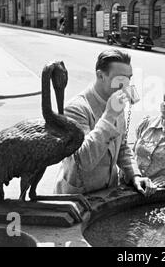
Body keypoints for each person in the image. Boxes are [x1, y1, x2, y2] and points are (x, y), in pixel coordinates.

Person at [54, 49, 156, 196]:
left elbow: (121, 147)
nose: (126, 85)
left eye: (129, 78)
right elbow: (84, 161)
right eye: (120, 79)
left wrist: (134, 174)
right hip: (77, 196)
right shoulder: (75, 109)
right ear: (101, 75)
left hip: (108, 192)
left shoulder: (115, 101)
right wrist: (109, 116)